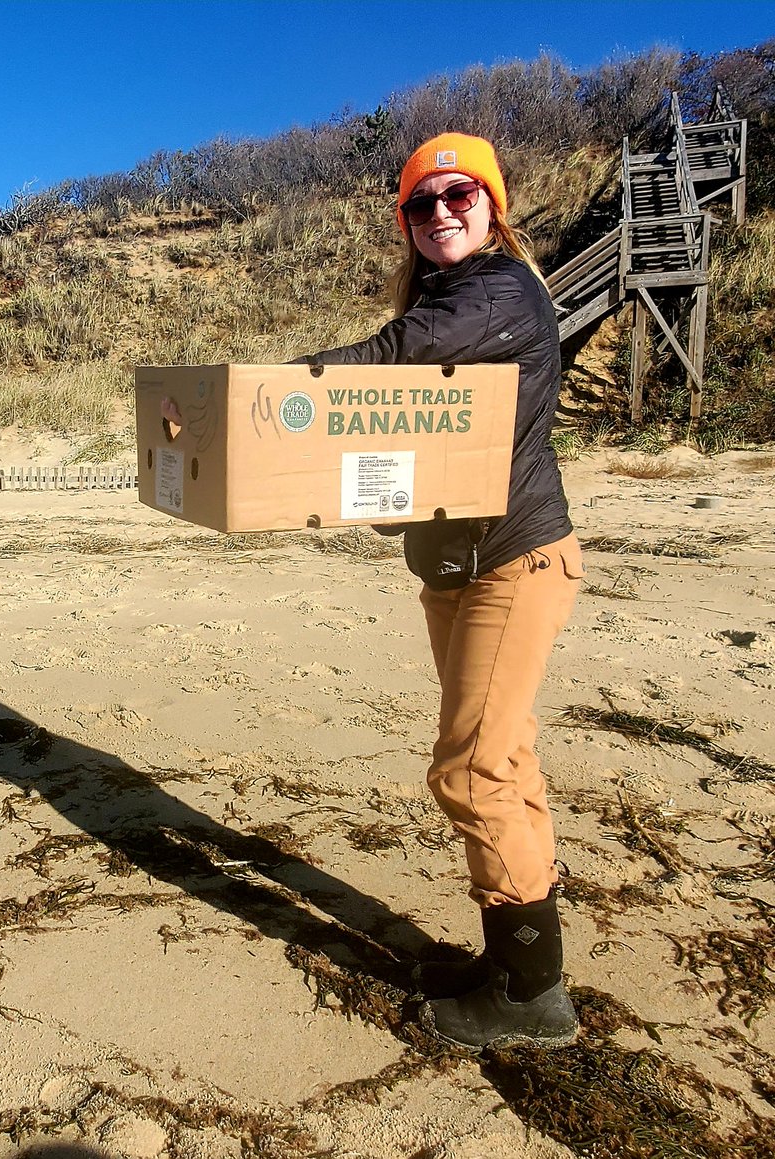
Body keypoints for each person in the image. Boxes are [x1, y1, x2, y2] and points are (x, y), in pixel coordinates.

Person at [162, 132, 583, 1052]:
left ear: (494, 204)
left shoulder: (501, 294)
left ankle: (534, 994)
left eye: (459, 195)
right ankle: (510, 956)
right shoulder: (446, 292)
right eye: (420, 205)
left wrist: (258, 398)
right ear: (406, 222)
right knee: (501, 760)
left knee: (473, 768)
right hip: (456, 568)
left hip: (516, 561)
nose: (441, 213)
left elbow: (396, 357)